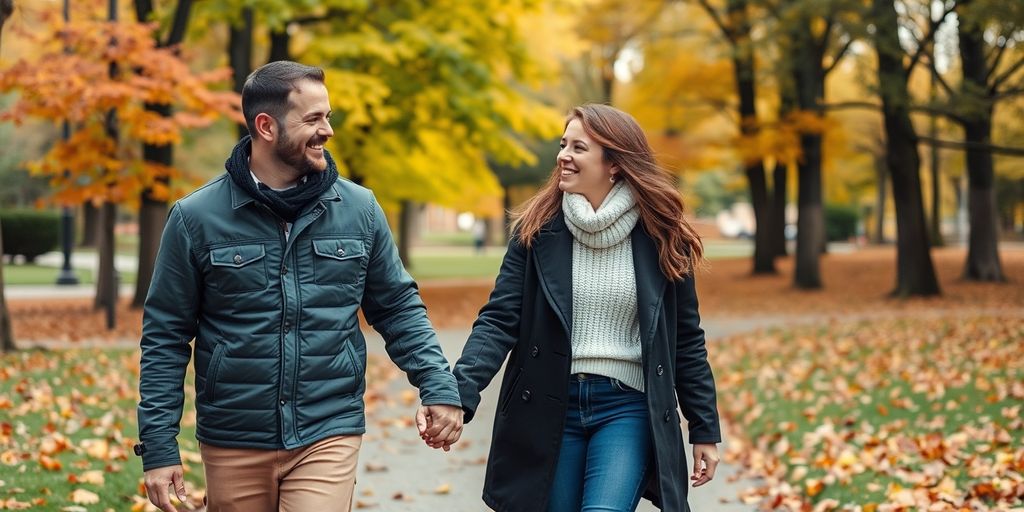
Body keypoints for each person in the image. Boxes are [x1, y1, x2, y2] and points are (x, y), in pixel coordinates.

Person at [136, 60, 463, 512]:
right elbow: (165, 335)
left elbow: (398, 307)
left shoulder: (360, 209)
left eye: (328, 116)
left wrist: (438, 385)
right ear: (266, 126)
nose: (327, 130)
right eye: (313, 119)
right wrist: (158, 446)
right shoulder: (196, 218)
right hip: (234, 435)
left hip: (327, 428)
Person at [453, 104, 721, 511]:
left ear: (614, 164)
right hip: (550, 406)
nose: (563, 155)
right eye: (563, 145)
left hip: (627, 407)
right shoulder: (535, 231)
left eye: (578, 148)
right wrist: (459, 392)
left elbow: (686, 340)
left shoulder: (663, 237)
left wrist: (704, 428)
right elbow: (499, 320)